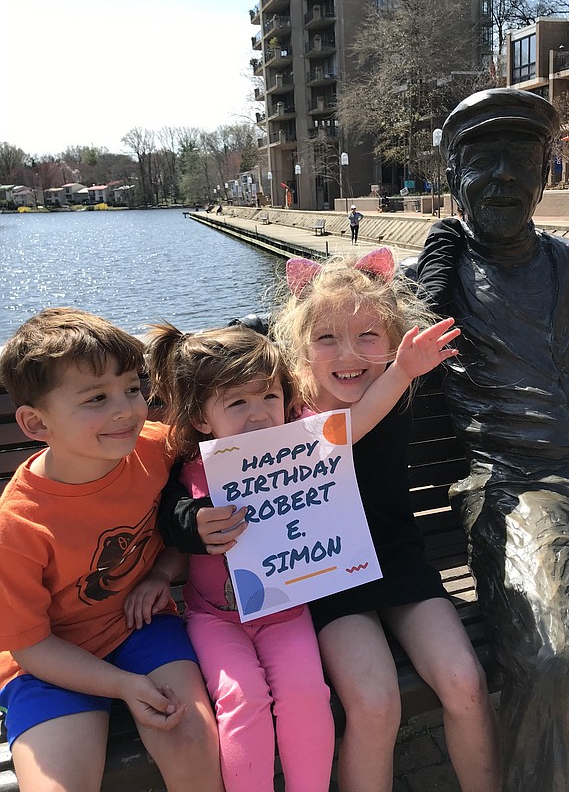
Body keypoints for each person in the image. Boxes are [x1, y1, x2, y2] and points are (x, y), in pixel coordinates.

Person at [417, 88, 569, 792]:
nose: (502, 175)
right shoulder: (439, 285)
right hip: (521, 495)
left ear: (546, 172)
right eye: (481, 160)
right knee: (552, 659)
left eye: (519, 158)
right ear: (451, 177)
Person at [271, 249, 501, 792]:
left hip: (398, 556)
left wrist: (403, 366)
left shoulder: (397, 384)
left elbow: (443, 277)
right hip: (326, 575)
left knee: (466, 682)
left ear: (394, 337)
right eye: (327, 338)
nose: (348, 354)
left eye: (368, 336)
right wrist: (399, 368)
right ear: (301, 350)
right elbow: (341, 432)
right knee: (375, 704)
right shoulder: (287, 408)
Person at [0, 307, 224, 792]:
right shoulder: (16, 525)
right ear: (36, 423)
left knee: (196, 745)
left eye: (132, 387)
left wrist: (163, 574)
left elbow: (183, 524)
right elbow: (31, 646)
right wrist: (123, 686)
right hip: (51, 662)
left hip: (143, 627)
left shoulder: (157, 449)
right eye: (97, 398)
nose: (126, 409)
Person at [130, 322, 335, 792]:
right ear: (201, 418)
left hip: (288, 613)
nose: (260, 415)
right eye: (237, 403)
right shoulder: (189, 470)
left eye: (269, 397)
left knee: (307, 694)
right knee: (242, 699)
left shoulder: (301, 452)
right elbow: (171, 518)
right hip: (215, 618)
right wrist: (193, 524)